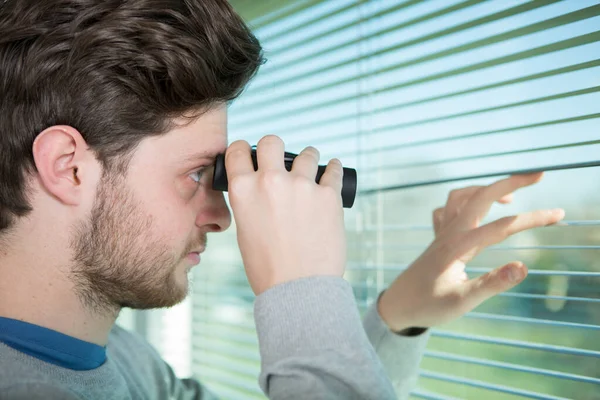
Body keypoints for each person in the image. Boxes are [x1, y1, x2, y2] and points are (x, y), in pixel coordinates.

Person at [0, 0, 566, 399]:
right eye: (198, 173)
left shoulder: (118, 359)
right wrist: (304, 291)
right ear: (68, 167)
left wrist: (398, 317)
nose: (222, 216)